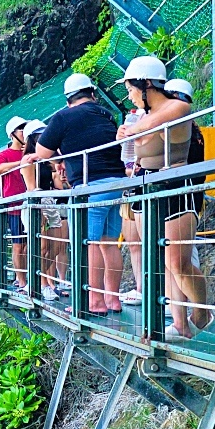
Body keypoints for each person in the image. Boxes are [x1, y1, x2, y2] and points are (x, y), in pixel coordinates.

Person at [115, 60, 211, 340]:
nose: (129, 95)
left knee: (177, 260)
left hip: (176, 188)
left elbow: (171, 113)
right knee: (160, 258)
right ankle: (180, 322)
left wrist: (134, 128)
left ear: (146, 84)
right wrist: (126, 133)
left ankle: (202, 311)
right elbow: (133, 153)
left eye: (131, 88)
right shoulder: (142, 116)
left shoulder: (175, 107)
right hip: (147, 187)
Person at [33, 73, 127, 314]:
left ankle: (94, 301)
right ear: (92, 94)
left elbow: (42, 152)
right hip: (116, 182)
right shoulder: (106, 113)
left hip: (90, 185)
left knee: (89, 243)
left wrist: (59, 159)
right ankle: (112, 300)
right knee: (109, 242)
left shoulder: (63, 116)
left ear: (68, 100)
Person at [20, 119, 65, 302]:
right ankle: (41, 283)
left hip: (50, 202)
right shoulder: (28, 160)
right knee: (42, 246)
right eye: (39, 135)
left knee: (55, 246)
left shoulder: (47, 160)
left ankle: (38, 278)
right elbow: (31, 187)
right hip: (36, 202)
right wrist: (40, 210)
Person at [0, 116, 29, 294]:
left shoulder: (29, 151)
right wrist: (20, 162)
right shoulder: (4, 155)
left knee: (32, 243)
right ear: (13, 134)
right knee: (18, 244)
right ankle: (21, 280)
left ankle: (29, 278)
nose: (24, 130)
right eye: (21, 128)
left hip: (30, 203)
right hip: (14, 204)